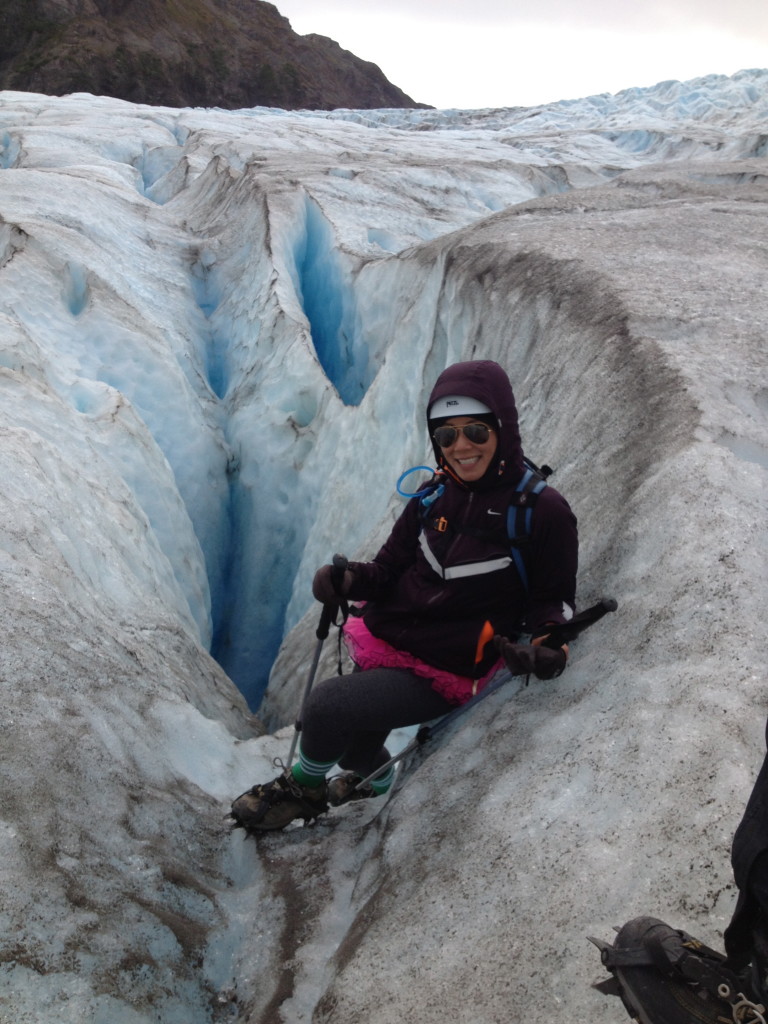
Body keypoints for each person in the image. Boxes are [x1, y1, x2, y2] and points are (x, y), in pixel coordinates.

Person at [231, 359, 578, 832]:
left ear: (503, 426)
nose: (461, 447)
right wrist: (347, 581)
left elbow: (551, 600)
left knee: (327, 706)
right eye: (446, 435)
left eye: (476, 431)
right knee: (354, 747)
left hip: (450, 664)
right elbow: (388, 569)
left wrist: (549, 643)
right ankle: (372, 780)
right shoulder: (433, 494)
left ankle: (302, 790)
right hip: (390, 636)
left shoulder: (542, 512)